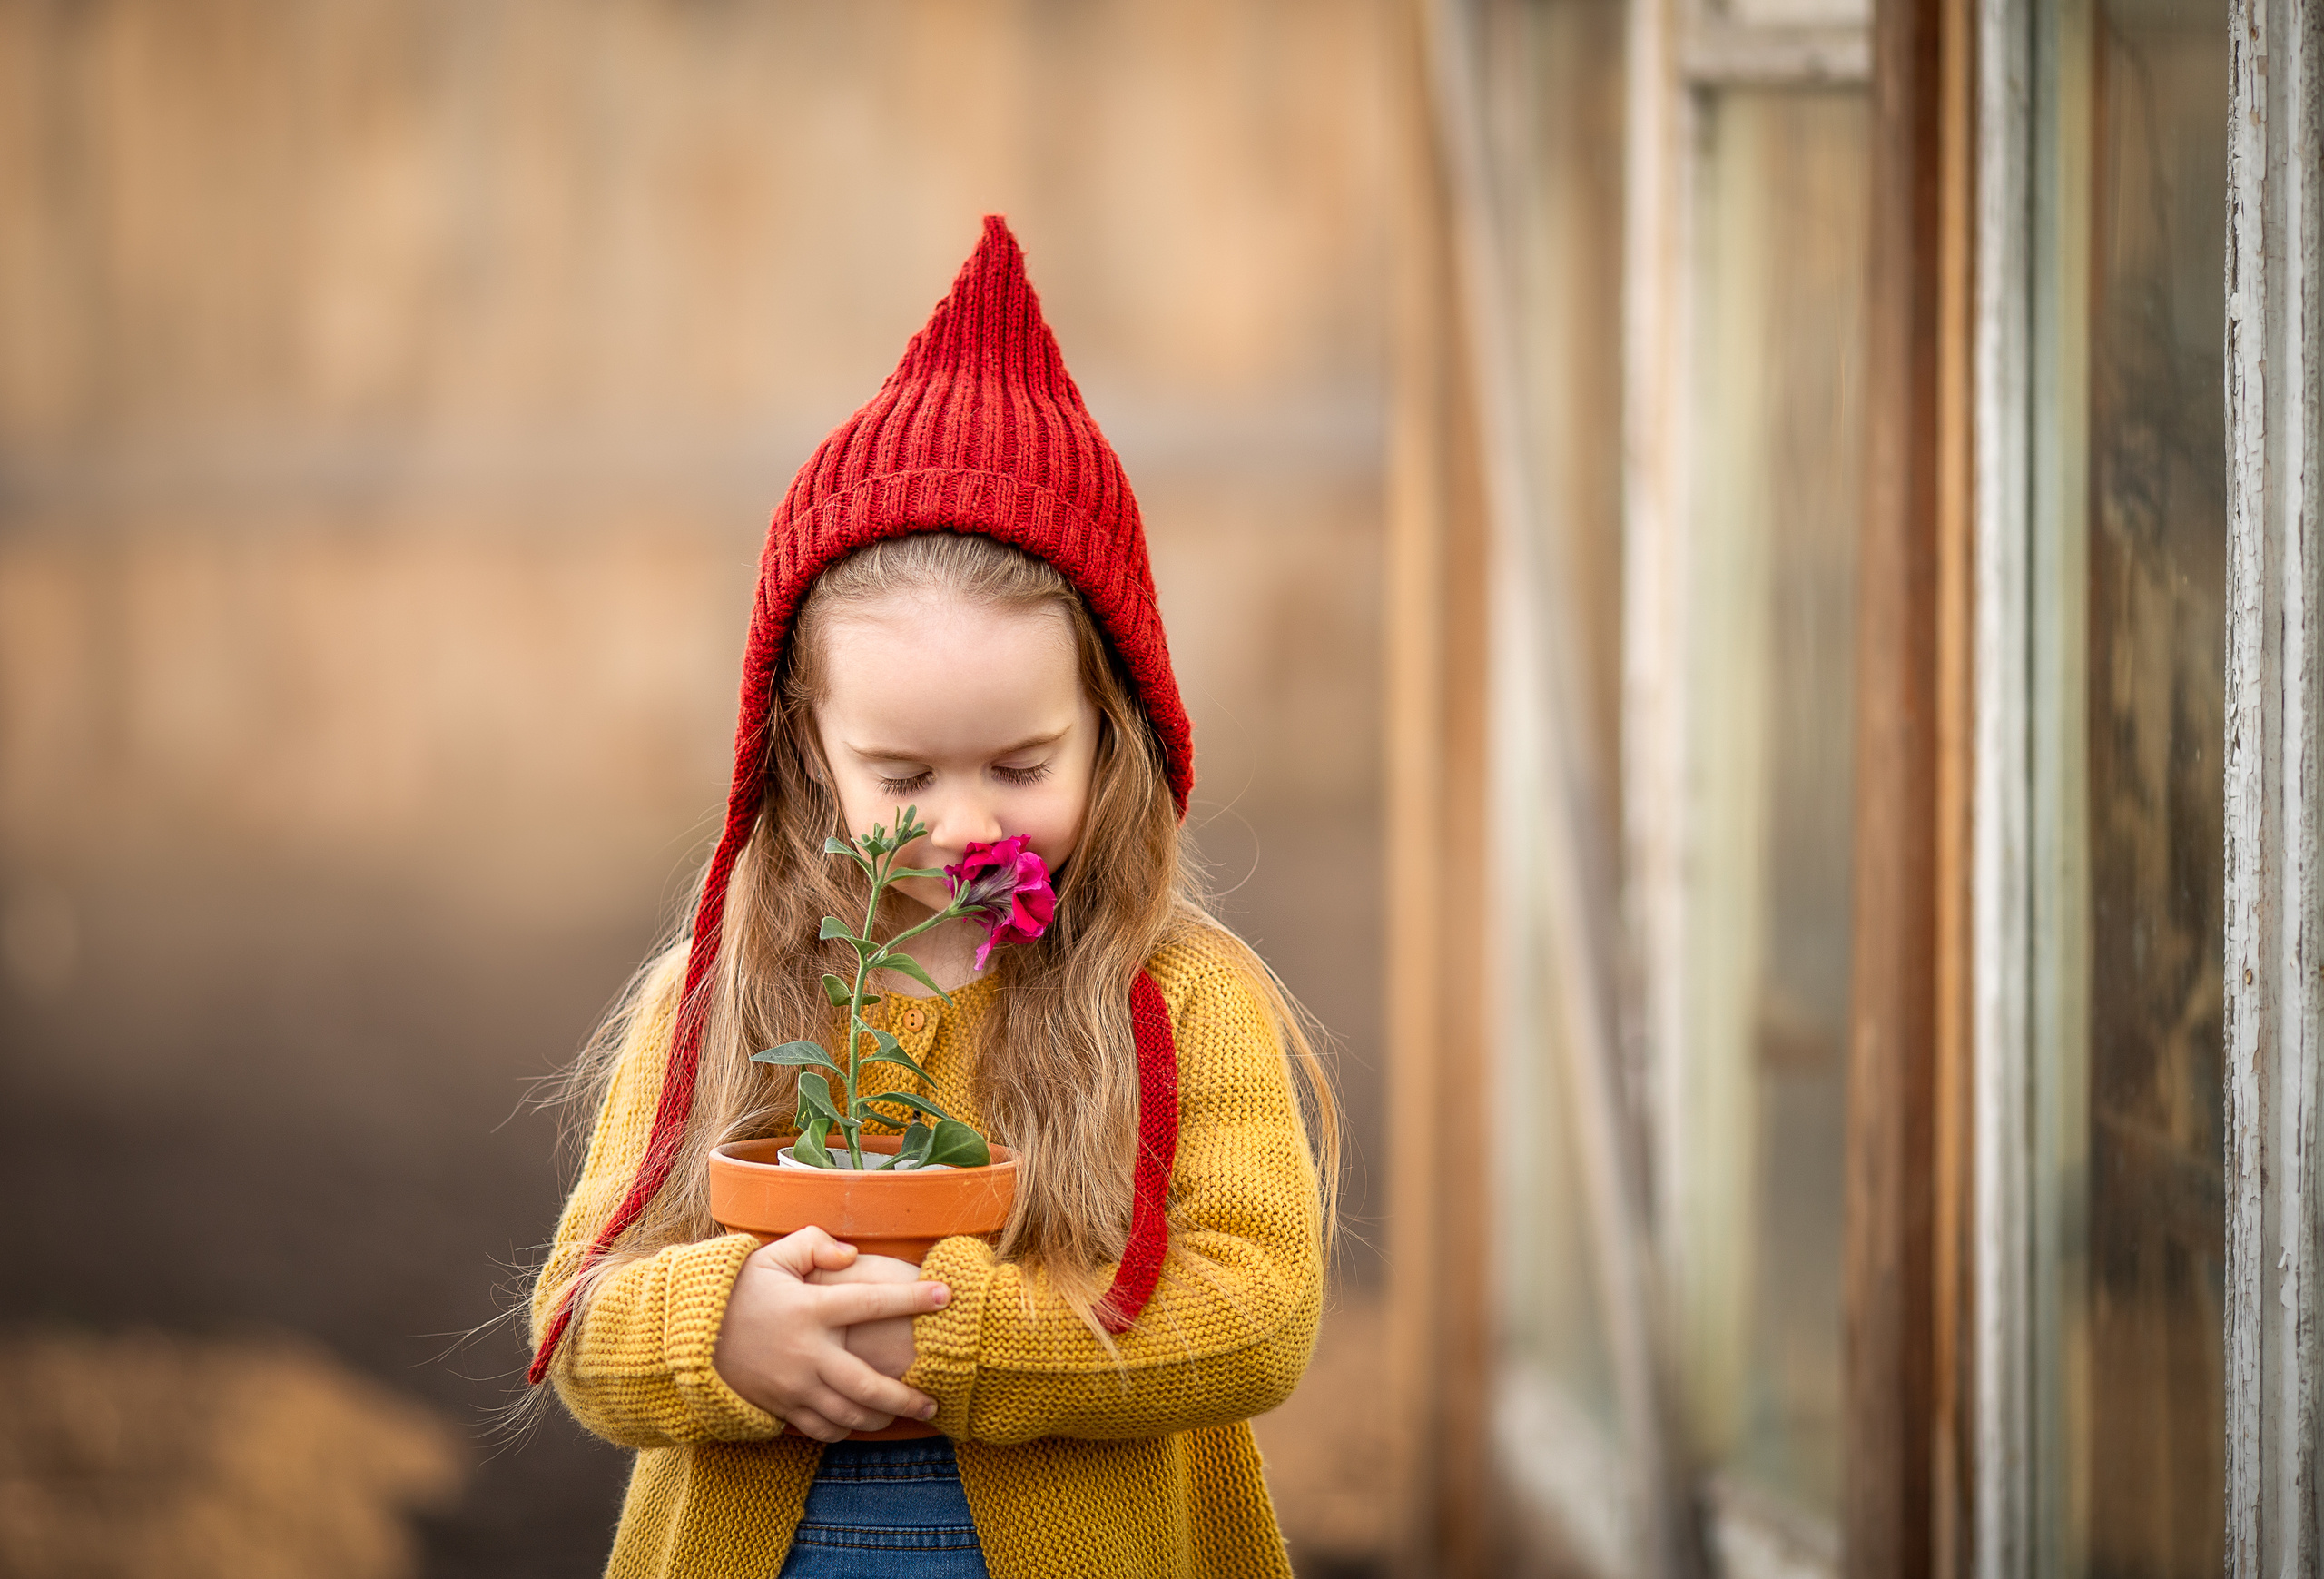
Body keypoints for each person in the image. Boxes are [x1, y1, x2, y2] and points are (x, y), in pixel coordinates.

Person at [527, 216, 1338, 1579]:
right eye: (901, 772)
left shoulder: (1179, 1002)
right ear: (803, 751)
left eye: (1022, 765)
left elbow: (1259, 1315)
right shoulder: (728, 995)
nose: (965, 823)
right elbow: (575, 1320)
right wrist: (719, 1328)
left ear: (1112, 730)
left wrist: (949, 1338)